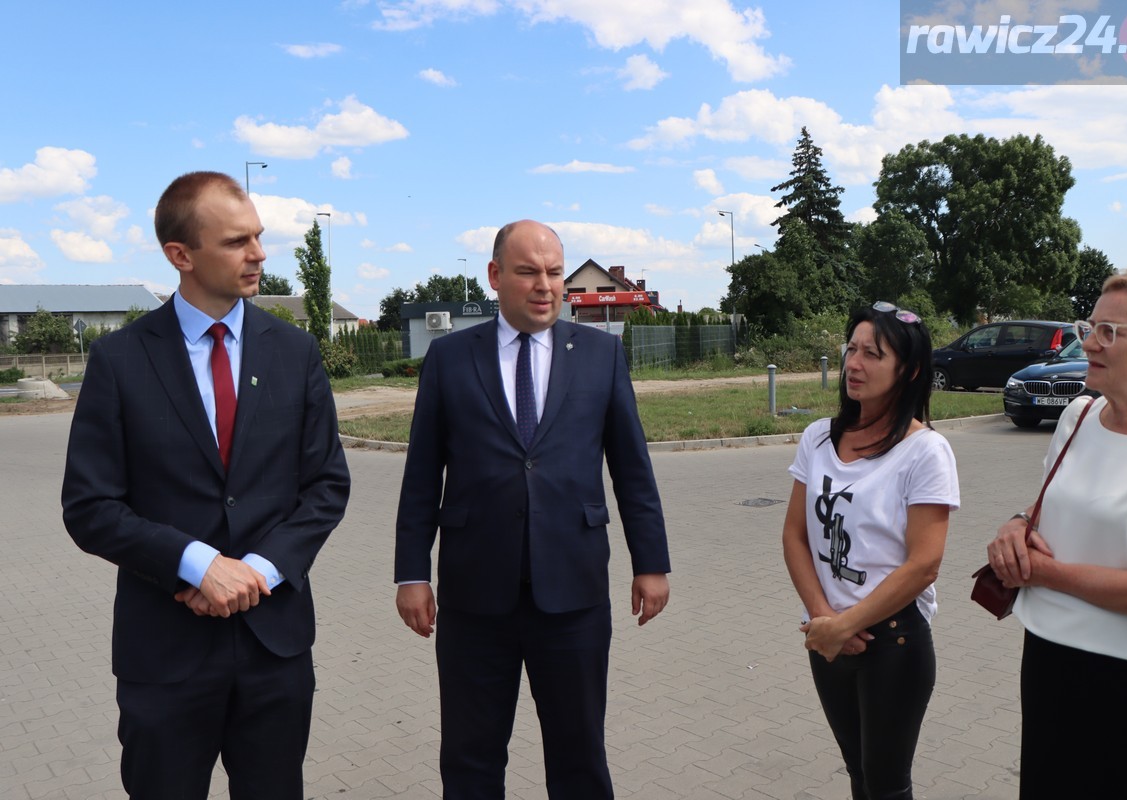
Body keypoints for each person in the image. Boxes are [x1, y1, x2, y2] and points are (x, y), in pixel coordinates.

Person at [61, 171, 351, 800]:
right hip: (164, 655)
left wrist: (257, 570)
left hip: (274, 647)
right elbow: (88, 506)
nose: (259, 254)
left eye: (259, 236)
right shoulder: (120, 360)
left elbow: (326, 485)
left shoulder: (295, 353)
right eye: (237, 241)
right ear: (181, 256)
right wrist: (196, 565)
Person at [393, 219, 671, 799]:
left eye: (553, 273)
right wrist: (412, 573)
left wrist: (652, 562)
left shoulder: (600, 356)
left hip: (573, 595)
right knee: (470, 761)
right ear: (495, 276)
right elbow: (421, 476)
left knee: (579, 760)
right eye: (528, 272)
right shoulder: (448, 360)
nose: (545, 286)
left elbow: (632, 467)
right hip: (475, 599)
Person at [987, 265, 1127, 800]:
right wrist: (1016, 525)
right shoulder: (1078, 415)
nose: (1090, 344)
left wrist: (1048, 574)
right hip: (1051, 652)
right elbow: (1046, 506)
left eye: (1110, 332)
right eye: (1090, 327)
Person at [781, 301, 959, 800]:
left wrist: (846, 623)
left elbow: (925, 563)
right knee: (859, 775)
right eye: (851, 349)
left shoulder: (925, 451)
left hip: (893, 642)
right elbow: (794, 535)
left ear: (911, 370)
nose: (854, 364)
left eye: (873, 354)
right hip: (828, 636)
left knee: (885, 785)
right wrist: (825, 619)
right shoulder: (819, 437)